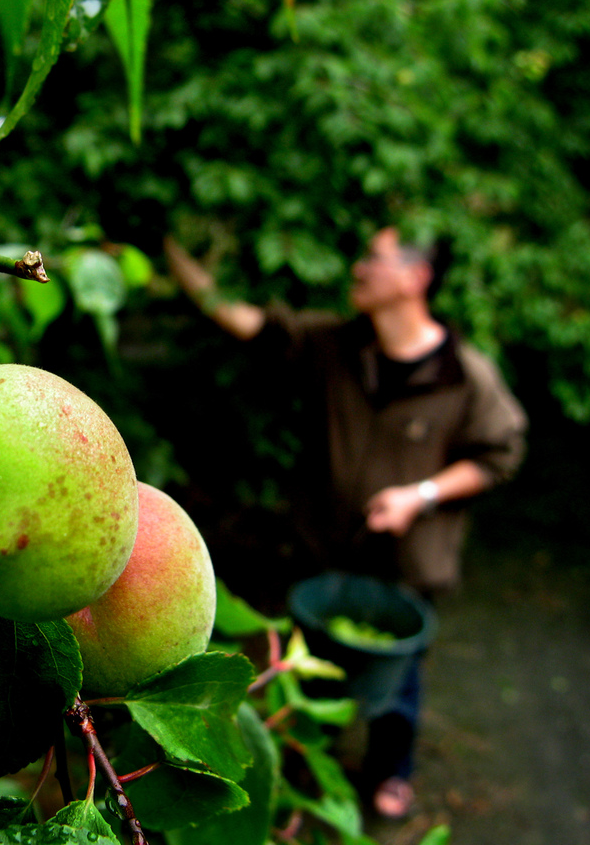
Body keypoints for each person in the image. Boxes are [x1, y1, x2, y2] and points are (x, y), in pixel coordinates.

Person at [165, 227, 528, 819]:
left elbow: (500, 455)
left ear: (416, 278)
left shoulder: (465, 375)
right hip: (324, 551)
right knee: (317, 669)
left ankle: (392, 774)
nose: (358, 268)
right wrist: (172, 247)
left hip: (404, 565)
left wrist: (420, 495)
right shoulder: (335, 346)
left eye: (375, 258)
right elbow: (242, 319)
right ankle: (310, 767)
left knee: (397, 682)